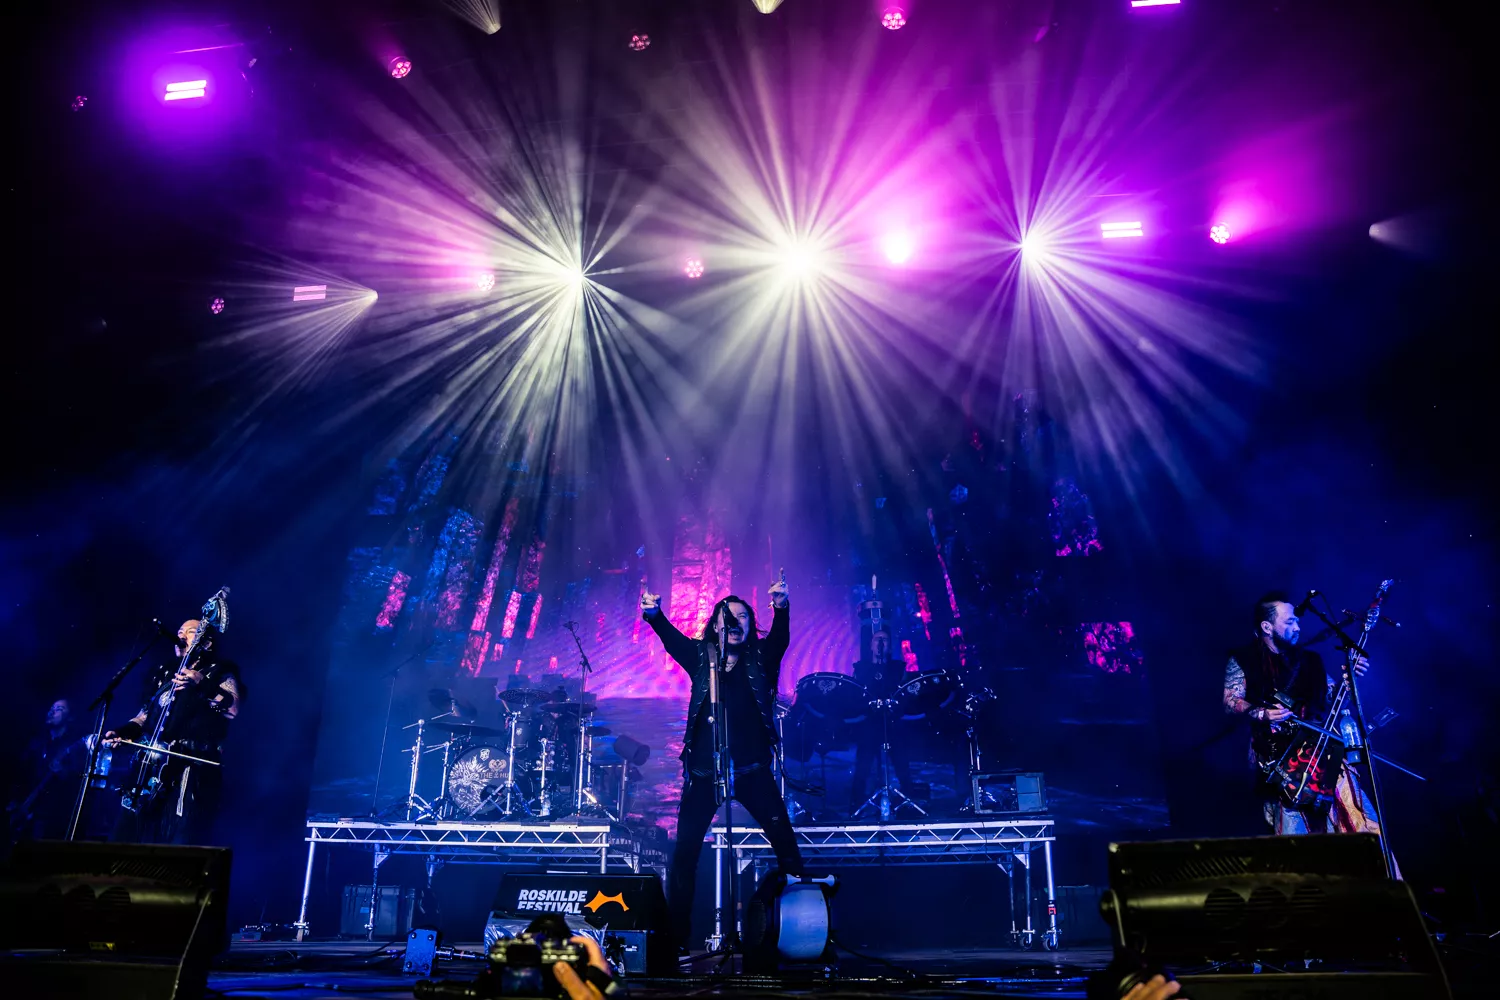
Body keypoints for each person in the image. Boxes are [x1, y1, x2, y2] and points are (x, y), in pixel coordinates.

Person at [640, 569, 804, 951]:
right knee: (685, 854)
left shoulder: (761, 658)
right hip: (704, 773)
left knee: (786, 845)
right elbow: (671, 639)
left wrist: (781, 607)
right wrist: (654, 615)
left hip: (752, 771)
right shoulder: (701, 657)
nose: (735, 621)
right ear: (715, 624)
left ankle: (801, 929)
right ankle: (677, 940)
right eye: (727, 616)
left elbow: (780, 639)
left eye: (742, 616)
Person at [1223, 591, 1378, 836]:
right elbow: (1230, 701)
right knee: (1295, 834)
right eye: (1289, 622)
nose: (1297, 627)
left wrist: (1349, 680)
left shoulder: (1311, 660)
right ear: (1267, 627)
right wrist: (1262, 713)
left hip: (1321, 752)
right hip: (1277, 759)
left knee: (1356, 820)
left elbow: (1332, 699)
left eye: (1297, 621)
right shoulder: (1243, 659)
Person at [106, 618, 241, 845]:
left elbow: (233, 709)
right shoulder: (165, 673)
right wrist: (125, 731)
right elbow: (144, 714)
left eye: (190, 632)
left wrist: (202, 684)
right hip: (149, 769)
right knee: (126, 835)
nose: (181, 635)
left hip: (188, 768)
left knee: (179, 837)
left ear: (206, 643)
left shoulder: (219, 672)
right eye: (179, 631)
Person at [849, 627, 917, 811]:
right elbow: (854, 694)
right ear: (871, 645)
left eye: (884, 640)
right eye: (877, 639)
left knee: (901, 762)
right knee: (863, 763)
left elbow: (906, 692)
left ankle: (908, 800)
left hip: (892, 721)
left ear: (889, 646)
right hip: (869, 722)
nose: (881, 643)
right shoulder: (860, 668)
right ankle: (856, 803)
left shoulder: (898, 667)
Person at [8, 699, 86, 841]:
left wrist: (62, 771)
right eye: (52, 708)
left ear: (70, 717)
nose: (52, 712)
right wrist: (15, 799)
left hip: (53, 815)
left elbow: (78, 778)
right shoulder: (37, 742)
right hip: (27, 811)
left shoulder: (73, 745)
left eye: (59, 709)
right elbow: (21, 773)